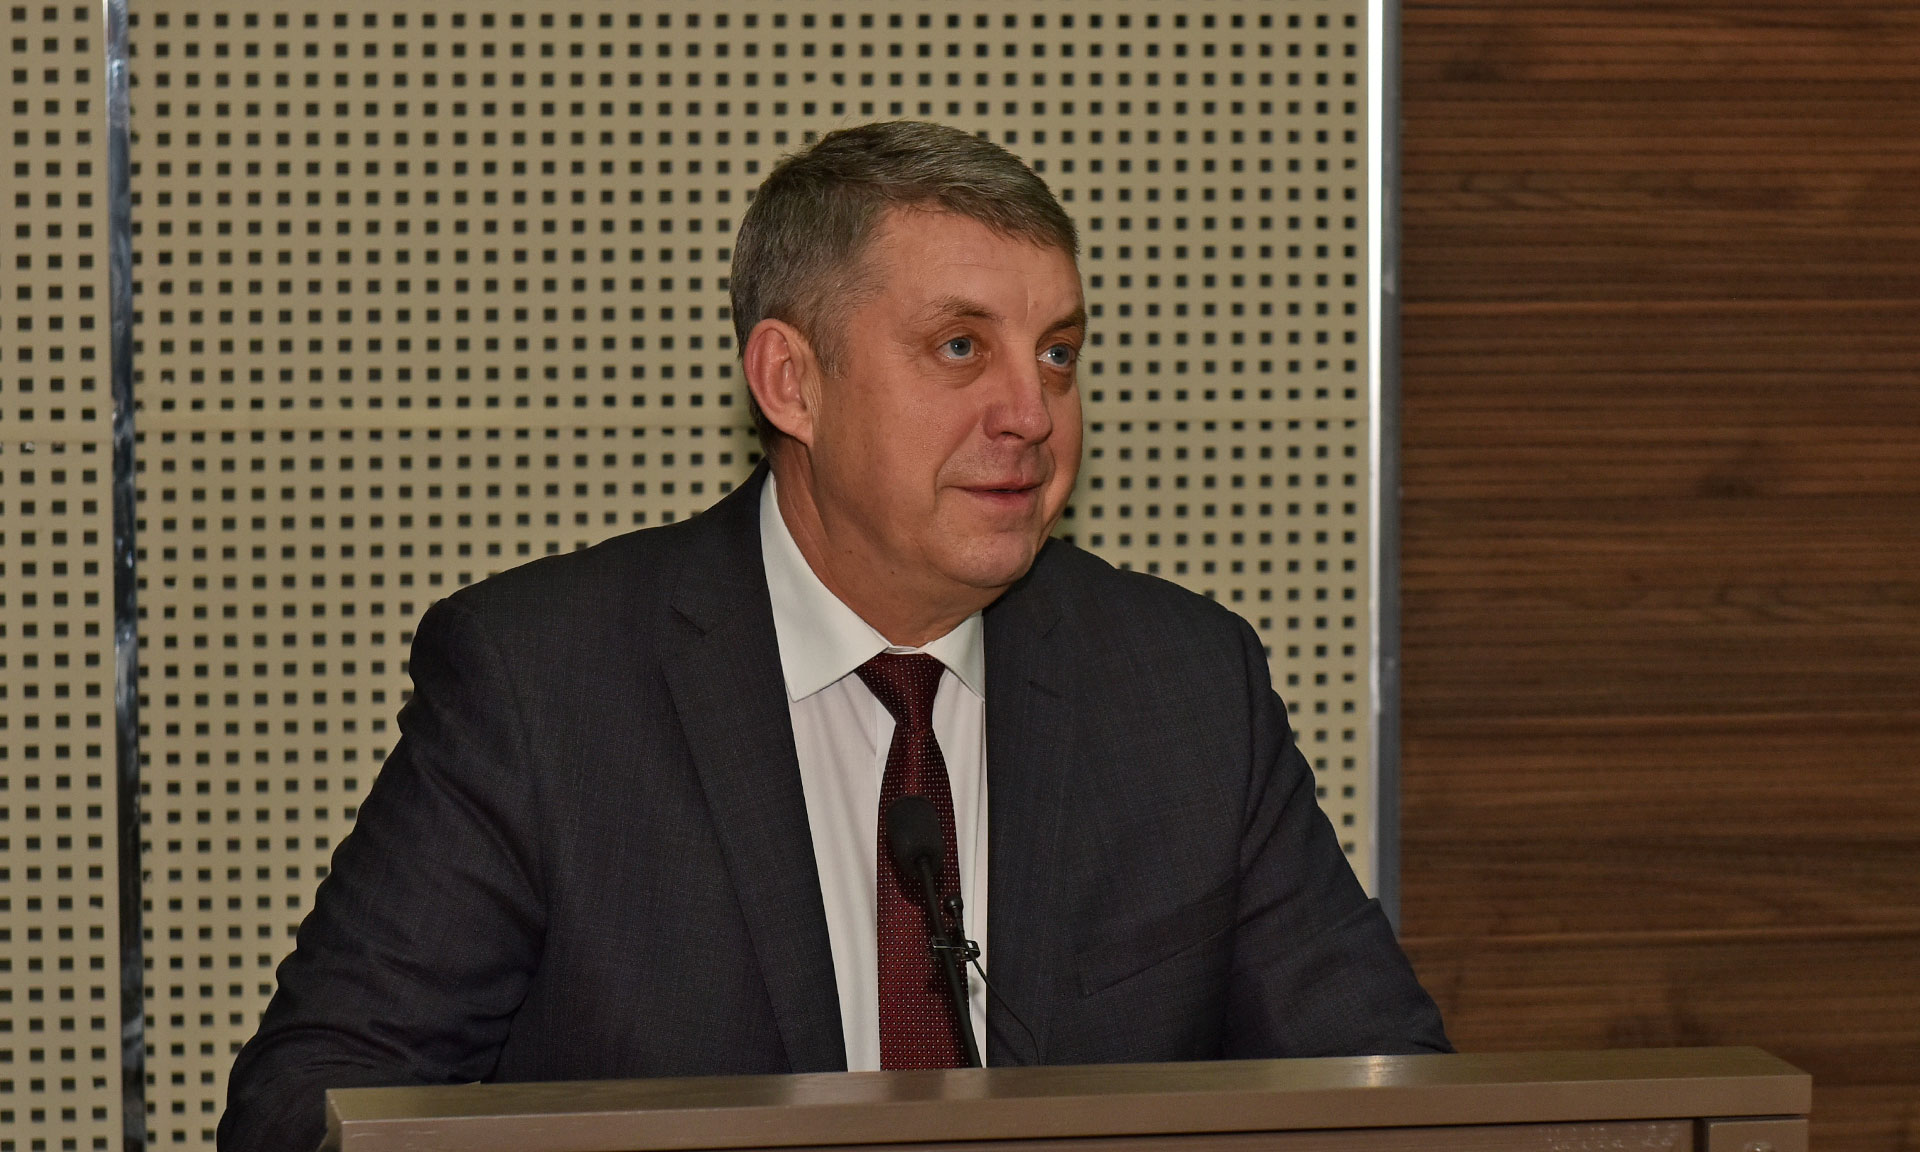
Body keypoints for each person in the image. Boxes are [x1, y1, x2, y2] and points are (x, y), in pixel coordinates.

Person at [219, 121, 1447, 1151]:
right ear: (791, 382)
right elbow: (309, 1108)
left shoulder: (1184, 688)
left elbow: (1397, 1103)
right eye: (961, 347)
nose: (1032, 412)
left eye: (1059, 353)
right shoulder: (545, 686)